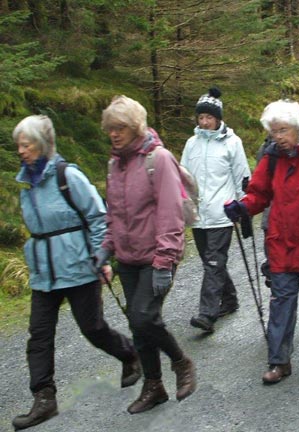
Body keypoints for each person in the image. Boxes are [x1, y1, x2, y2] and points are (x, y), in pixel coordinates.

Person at [12, 115, 141, 430]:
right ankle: (44, 399)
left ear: (42, 145)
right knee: (39, 336)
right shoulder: (26, 182)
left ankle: (130, 354)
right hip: (44, 273)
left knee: (93, 328)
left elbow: (98, 217)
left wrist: (101, 258)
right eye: (18, 145)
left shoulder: (68, 176)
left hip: (79, 267)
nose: (21, 151)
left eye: (26, 144)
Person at [223, 99, 299, 384]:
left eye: (283, 130)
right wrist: (243, 207)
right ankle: (279, 361)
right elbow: (258, 194)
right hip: (283, 243)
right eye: (274, 131)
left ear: (296, 128)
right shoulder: (271, 158)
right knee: (281, 302)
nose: (278, 137)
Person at [96, 95, 196, 414]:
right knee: (138, 326)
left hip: (157, 255)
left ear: (136, 126)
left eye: (121, 127)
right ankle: (153, 387)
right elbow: (114, 215)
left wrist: (165, 259)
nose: (114, 133)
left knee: (143, 315)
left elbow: (170, 212)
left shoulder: (159, 158)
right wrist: (104, 251)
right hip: (128, 258)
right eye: (110, 128)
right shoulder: (115, 164)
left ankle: (181, 363)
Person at [181, 87, 251, 333]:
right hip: (199, 215)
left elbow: (242, 176)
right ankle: (229, 299)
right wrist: (183, 205)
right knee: (212, 262)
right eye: (201, 117)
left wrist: (245, 209)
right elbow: (183, 177)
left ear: (218, 118)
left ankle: (207, 314)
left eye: (209, 117)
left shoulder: (233, 143)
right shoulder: (191, 144)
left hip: (223, 214)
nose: (204, 121)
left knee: (213, 262)